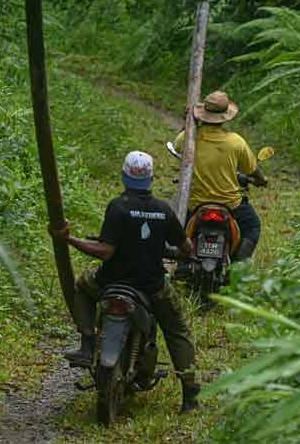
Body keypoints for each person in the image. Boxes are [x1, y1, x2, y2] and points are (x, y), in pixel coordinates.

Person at [50, 150, 202, 413]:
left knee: (83, 287)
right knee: (177, 331)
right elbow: (186, 248)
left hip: (111, 282)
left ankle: (87, 342)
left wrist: (70, 240)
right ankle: (190, 396)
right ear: (151, 179)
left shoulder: (117, 207)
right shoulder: (163, 210)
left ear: (124, 176)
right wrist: (171, 251)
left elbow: (106, 251)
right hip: (151, 287)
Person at [174, 90, 267, 259]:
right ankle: (239, 265)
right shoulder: (236, 142)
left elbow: (178, 145)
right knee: (252, 226)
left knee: (176, 226)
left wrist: (189, 123)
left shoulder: (189, 137)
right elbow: (252, 170)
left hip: (195, 203)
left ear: (203, 114)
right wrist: (261, 180)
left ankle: (181, 258)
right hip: (230, 203)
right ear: (225, 116)